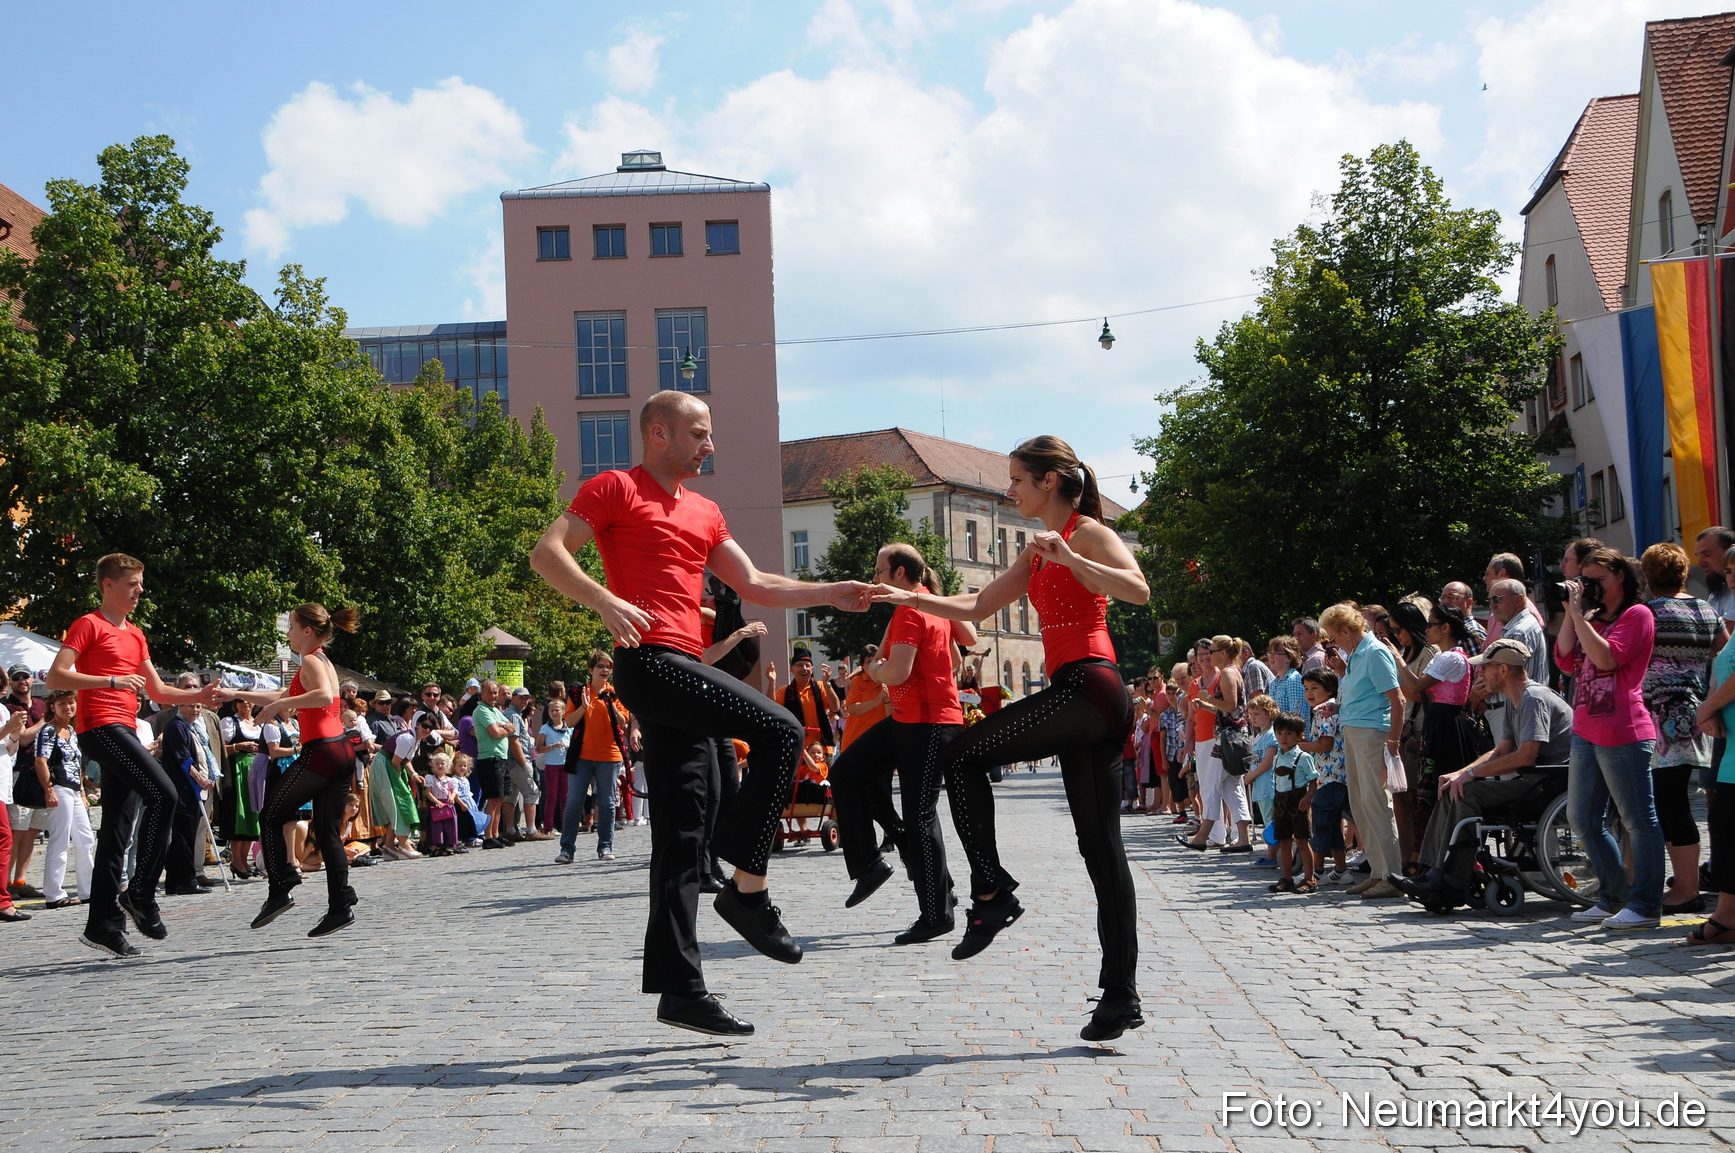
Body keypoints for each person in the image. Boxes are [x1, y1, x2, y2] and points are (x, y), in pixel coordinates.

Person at [529, 390, 874, 1038]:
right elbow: (547, 552)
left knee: (681, 836)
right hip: (650, 663)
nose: (708, 444)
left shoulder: (705, 511)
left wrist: (831, 592)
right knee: (780, 727)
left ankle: (681, 989)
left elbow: (756, 585)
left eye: (709, 433)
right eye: (697, 432)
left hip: (685, 668)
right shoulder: (614, 489)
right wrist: (602, 600)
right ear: (656, 433)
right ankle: (747, 888)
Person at [870, 434, 1149, 1042]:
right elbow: (975, 606)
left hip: (1092, 687)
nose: (1010, 490)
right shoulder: (1034, 550)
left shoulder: (1085, 532)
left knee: (962, 754)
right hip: (1078, 697)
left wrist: (1073, 558)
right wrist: (908, 596)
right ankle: (1120, 996)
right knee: (1100, 852)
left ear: (1049, 481)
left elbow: (1137, 589)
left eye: (1017, 480)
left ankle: (992, 891)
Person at [45, 553, 222, 958]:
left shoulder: (136, 634)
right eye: (132, 583)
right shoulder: (88, 625)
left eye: (140, 583)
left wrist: (197, 696)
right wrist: (110, 679)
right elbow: (56, 676)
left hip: (123, 728)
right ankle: (140, 892)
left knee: (116, 830)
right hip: (99, 728)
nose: (140, 590)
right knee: (165, 794)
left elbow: (157, 691)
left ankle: (103, 925)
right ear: (108, 585)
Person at [830, 543, 976, 944]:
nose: (874, 578)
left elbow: (897, 672)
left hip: (928, 723)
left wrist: (873, 668)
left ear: (899, 574)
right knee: (847, 773)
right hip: (910, 721)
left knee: (921, 814)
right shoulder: (928, 603)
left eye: (879, 571)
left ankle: (936, 913)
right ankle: (872, 864)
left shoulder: (912, 611)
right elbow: (971, 635)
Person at [1391, 639, 1574, 911]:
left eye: (1485, 667)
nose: (1479, 673)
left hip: (1551, 783)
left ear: (1502, 670)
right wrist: (1460, 772)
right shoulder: (1518, 699)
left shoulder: (1534, 698)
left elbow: (1525, 756)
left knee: (1466, 792)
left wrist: (1471, 776)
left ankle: (1448, 882)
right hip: (1537, 779)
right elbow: (1502, 750)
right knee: (1451, 786)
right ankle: (1432, 872)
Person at [216, 603, 363, 938]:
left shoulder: (311, 660)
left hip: (323, 751)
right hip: (340, 750)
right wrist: (237, 693)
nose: (288, 633)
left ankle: (281, 885)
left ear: (307, 631)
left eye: (292, 627)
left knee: (270, 814)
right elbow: (286, 693)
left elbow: (323, 696)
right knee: (326, 831)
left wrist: (282, 706)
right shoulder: (321, 659)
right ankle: (340, 904)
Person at [1556, 546, 1665, 930]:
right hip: (1587, 729)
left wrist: (1579, 615)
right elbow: (1566, 659)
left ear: (1621, 578)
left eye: (1598, 580)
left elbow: (1606, 660)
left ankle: (1646, 904)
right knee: (1583, 817)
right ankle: (1613, 895)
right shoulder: (1591, 617)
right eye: (1586, 580)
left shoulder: (1637, 615)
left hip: (1624, 730)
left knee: (1638, 820)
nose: (1591, 588)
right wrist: (1576, 610)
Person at [1639, 542, 1720, 914]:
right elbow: (1723, 652)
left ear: (1649, 576)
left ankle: (1685, 888)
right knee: (1676, 803)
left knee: (1671, 805)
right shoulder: (1706, 609)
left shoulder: (1649, 613)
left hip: (1660, 718)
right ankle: (1686, 882)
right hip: (1697, 714)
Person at [1319, 602, 1404, 900]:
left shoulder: (1375, 651)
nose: (1333, 642)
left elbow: (1397, 700)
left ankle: (1392, 876)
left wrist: (1393, 742)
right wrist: (1339, 699)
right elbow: (1363, 695)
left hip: (1372, 735)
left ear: (1346, 630)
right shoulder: (1356, 655)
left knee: (1378, 805)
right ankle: (1378, 873)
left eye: (1333, 636)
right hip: (1354, 732)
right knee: (1360, 804)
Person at [558, 651, 633, 865]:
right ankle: (567, 849)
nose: (605, 670)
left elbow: (623, 722)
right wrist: (583, 706)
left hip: (609, 755)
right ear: (591, 669)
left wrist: (609, 703)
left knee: (608, 803)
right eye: (601, 666)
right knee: (574, 802)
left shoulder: (616, 693)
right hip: (582, 755)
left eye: (608, 667)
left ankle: (605, 846)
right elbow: (569, 722)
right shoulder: (577, 692)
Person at [158, 673, 222, 895]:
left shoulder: (191, 727)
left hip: (192, 790)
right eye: (190, 706)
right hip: (183, 789)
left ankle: (175, 881)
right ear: (181, 706)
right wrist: (200, 779)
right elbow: (183, 759)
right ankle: (185, 880)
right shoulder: (176, 726)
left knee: (186, 834)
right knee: (183, 836)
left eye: (197, 707)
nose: (195, 710)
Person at [32, 690, 95, 910]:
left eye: (71, 703)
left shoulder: (71, 730)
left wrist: (82, 792)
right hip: (58, 786)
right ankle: (54, 893)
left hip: (74, 790)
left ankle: (88, 889)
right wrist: (49, 789)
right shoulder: (48, 731)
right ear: (52, 707)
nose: (68, 707)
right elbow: (41, 761)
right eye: (62, 703)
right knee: (59, 840)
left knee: (86, 838)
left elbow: (77, 764)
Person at [1300, 669, 1350, 884]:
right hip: (1331, 777)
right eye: (1306, 689)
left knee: (1320, 824)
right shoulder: (1320, 711)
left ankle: (1316, 871)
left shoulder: (1324, 712)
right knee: (1331, 826)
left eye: (1314, 688)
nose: (1309, 693)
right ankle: (1341, 871)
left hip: (1332, 777)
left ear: (1329, 690)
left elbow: (1325, 744)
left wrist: (1300, 746)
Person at [1265, 712, 1319, 894]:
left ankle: (1309, 879)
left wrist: (1307, 798)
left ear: (1299, 735)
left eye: (1288, 733)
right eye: (1279, 733)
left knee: (1302, 841)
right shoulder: (1277, 757)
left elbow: (1314, 780)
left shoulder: (1304, 758)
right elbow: (1276, 783)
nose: (1283, 737)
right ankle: (1286, 878)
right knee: (1284, 842)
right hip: (1281, 803)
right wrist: (1275, 806)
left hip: (1298, 803)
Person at [219, 698, 264, 880]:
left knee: (252, 816)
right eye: (242, 701)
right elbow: (220, 747)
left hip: (256, 770)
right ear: (235, 705)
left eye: (249, 701)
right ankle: (236, 860)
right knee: (240, 814)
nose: (246, 704)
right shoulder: (230, 722)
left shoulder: (257, 723)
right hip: (237, 768)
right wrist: (239, 746)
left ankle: (244, 860)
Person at [470, 681, 513, 849]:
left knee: (500, 797)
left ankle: (495, 833)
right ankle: (487, 836)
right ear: (482, 694)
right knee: (493, 798)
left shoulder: (495, 710)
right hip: (489, 759)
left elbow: (512, 726)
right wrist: (504, 728)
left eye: (495, 692)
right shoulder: (480, 710)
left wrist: (504, 726)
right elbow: (495, 733)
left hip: (501, 758)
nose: (493, 696)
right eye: (490, 692)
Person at [1488, 578, 1549, 684]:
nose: (1492, 606)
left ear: (1518, 600)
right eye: (1490, 600)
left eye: (1497, 599)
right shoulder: (1526, 622)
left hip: (1521, 699)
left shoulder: (1517, 633)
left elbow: (1507, 681)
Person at [1694, 527, 1735, 629]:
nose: (1700, 563)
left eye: (1707, 555)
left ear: (1730, 551)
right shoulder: (1715, 595)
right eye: (1698, 556)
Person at [1437, 583, 1486, 654]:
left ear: (1469, 602)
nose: (1446, 601)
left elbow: (1478, 665)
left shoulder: (1471, 633)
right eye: (1443, 597)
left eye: (1452, 597)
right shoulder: (1450, 630)